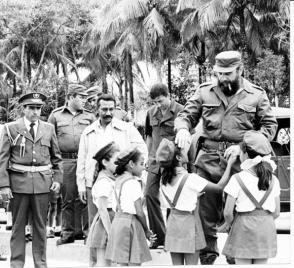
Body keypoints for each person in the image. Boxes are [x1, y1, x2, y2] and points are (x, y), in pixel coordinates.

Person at [174, 50, 278, 264]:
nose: (222, 78)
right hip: (208, 159)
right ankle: (208, 254)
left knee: (240, 208)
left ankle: (235, 252)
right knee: (204, 210)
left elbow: (270, 126)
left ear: (240, 70)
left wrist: (244, 146)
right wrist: (183, 129)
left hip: (242, 161)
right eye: (218, 73)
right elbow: (186, 115)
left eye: (228, 73)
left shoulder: (257, 94)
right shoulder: (204, 91)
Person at [77, 93, 147, 266]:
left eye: (111, 109)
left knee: (117, 231)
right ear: (97, 109)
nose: (108, 113)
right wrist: (80, 185)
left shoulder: (127, 128)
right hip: (94, 183)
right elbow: (82, 159)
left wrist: (135, 175)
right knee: (97, 230)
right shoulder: (88, 131)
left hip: (119, 186)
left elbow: (142, 151)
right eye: (104, 109)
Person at [0, 92, 63, 268]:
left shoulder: (48, 128)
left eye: (38, 108)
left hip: (43, 185)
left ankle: (40, 264)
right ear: (24, 109)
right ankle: (17, 263)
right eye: (32, 108)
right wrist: (4, 185)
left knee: (41, 227)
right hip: (18, 185)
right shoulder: (10, 128)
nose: (36, 112)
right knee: (18, 227)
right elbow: (3, 158)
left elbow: (56, 158)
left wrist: (57, 178)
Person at [156, 138, 236, 265]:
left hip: (173, 224)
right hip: (189, 226)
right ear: (179, 158)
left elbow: (177, 199)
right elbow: (219, 187)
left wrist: (194, 197)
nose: (186, 152)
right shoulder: (191, 179)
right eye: (183, 151)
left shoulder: (163, 181)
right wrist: (230, 164)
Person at [219, 130, 280, 264]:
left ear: (245, 154)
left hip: (243, 228)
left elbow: (228, 213)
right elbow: (276, 212)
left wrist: (230, 225)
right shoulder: (274, 180)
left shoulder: (237, 179)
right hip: (265, 229)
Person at [48, 84, 96, 245]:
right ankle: (67, 233)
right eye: (81, 97)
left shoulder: (89, 117)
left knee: (86, 197)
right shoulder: (56, 116)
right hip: (65, 160)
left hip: (86, 160)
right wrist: (52, 164)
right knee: (67, 197)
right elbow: (49, 140)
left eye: (85, 97)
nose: (84, 100)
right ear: (70, 97)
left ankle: (88, 233)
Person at [144, 83, 183, 249]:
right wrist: (148, 156)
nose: (158, 105)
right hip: (155, 160)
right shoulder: (150, 113)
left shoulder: (181, 111)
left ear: (168, 95)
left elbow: (187, 137)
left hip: (173, 161)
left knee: (173, 198)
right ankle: (158, 236)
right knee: (149, 194)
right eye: (155, 102)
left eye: (160, 101)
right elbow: (149, 136)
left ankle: (172, 237)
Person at [105, 147, 156, 266]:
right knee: (134, 262)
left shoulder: (117, 180)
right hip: (131, 224)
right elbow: (139, 212)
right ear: (131, 164)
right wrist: (147, 231)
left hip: (118, 223)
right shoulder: (133, 183)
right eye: (141, 164)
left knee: (122, 263)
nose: (144, 167)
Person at [86, 142, 120, 266]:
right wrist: (111, 233)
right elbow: (102, 209)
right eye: (116, 160)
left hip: (113, 220)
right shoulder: (104, 182)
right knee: (104, 264)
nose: (119, 163)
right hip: (106, 224)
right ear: (105, 162)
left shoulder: (111, 178)